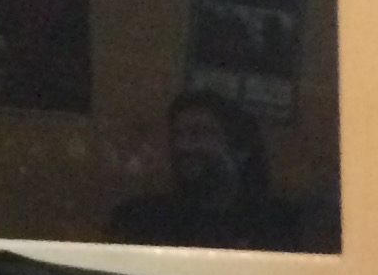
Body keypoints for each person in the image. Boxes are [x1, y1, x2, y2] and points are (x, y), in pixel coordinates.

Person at [104, 90, 314, 252]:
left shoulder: (279, 226)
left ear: (240, 149)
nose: (184, 146)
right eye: (178, 134)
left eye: (200, 133)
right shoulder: (141, 220)